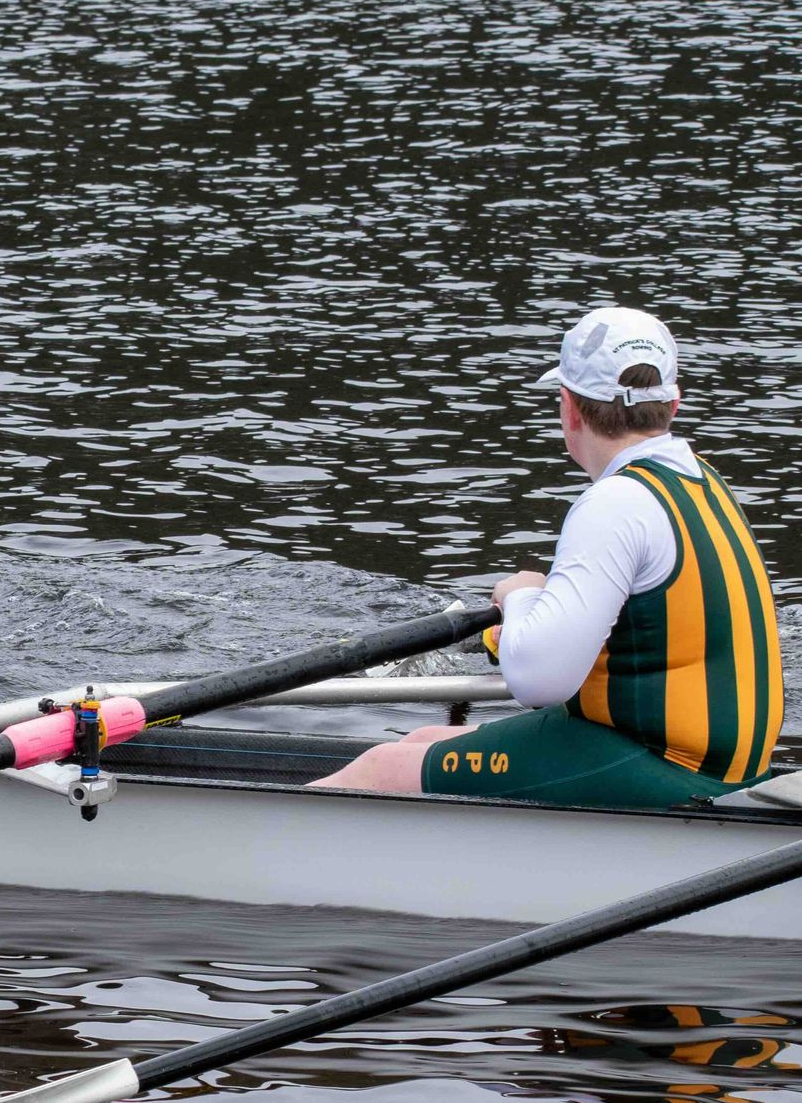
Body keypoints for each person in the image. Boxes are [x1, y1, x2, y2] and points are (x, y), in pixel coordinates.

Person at [315, 306, 782, 806]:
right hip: (709, 756)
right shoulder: (702, 479)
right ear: (674, 403)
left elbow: (539, 682)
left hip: (665, 764)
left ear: (569, 408)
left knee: (379, 768)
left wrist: (521, 597)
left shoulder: (617, 502)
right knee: (423, 740)